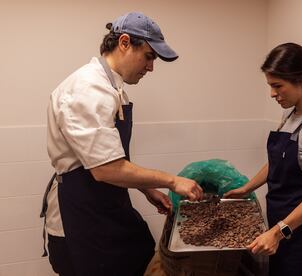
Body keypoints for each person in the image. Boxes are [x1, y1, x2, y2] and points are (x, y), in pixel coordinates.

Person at [40, 11, 204, 276]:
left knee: (139, 252)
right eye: (149, 56)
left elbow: (112, 158)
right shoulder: (88, 90)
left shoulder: (112, 88)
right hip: (80, 218)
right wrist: (171, 181)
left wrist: (147, 188)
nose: (151, 67)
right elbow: (106, 169)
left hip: (106, 205)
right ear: (124, 42)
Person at [224, 43, 302, 275]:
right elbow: (277, 162)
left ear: (300, 80)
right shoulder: (289, 113)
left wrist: (278, 232)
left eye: (277, 86)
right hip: (280, 225)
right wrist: (246, 188)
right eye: (270, 86)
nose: (272, 94)